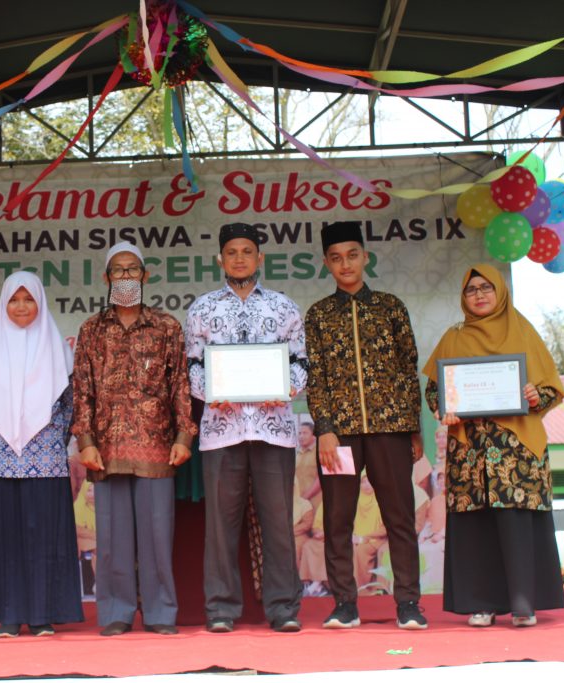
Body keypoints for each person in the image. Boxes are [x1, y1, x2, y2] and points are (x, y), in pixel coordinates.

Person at [423, 264, 564, 627]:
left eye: (487, 287)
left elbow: (551, 389)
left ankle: (524, 603)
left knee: (516, 520)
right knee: (476, 524)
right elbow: (435, 389)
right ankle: (481, 603)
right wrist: (443, 408)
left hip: (516, 450)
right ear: (463, 296)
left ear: (500, 291)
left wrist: (535, 395)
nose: (480, 295)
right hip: (470, 449)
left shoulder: (523, 331)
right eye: (471, 289)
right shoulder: (454, 337)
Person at [185, 222, 308, 633]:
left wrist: (284, 389)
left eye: (247, 251)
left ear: (260, 257)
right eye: (232, 252)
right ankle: (221, 609)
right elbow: (192, 366)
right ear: (220, 259)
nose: (239, 259)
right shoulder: (202, 309)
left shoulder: (283, 307)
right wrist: (211, 393)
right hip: (222, 430)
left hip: (273, 428)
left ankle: (283, 608)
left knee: (278, 521)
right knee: (221, 525)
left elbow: (301, 363)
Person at [305, 221, 426, 630]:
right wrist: (324, 428)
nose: (346, 264)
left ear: (365, 257)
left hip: (390, 429)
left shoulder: (390, 307)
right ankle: (345, 604)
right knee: (337, 518)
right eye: (336, 258)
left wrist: (413, 429)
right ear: (327, 263)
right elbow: (316, 376)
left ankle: (408, 603)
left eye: (352, 255)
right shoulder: (319, 315)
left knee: (399, 516)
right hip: (339, 436)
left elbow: (408, 369)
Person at [72, 241, 197, 636]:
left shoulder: (166, 326)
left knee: (157, 537)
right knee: (112, 538)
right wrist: (86, 441)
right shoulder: (92, 330)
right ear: (106, 277)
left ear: (145, 275)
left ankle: (160, 613)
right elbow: (82, 390)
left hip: (156, 446)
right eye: (118, 270)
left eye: (132, 269)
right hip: (106, 449)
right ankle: (115, 612)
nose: (125, 276)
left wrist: (184, 436)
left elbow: (180, 385)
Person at [0, 271, 83, 637]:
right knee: (2, 537)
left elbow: (69, 403)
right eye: (14, 300)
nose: (21, 306)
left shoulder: (56, 346)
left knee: (43, 536)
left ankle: (42, 614)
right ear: (4, 303)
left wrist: (49, 439)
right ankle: (8, 614)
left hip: (44, 458)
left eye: (28, 299)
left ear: (40, 302)